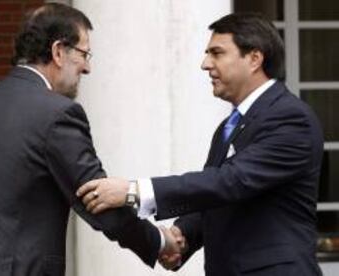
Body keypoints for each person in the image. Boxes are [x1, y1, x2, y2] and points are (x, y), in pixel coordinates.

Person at [0, 3, 180, 276]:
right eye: (84, 54)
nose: (88, 67)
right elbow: (97, 199)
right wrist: (159, 241)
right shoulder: (58, 114)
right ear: (58, 52)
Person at [77, 12, 324, 275]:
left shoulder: (291, 117)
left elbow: (231, 181)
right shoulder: (230, 125)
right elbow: (216, 195)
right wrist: (182, 235)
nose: (205, 64)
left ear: (254, 59)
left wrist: (132, 191)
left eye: (217, 53)